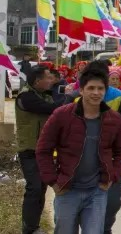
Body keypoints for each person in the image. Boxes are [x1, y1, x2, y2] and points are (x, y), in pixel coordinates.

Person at [35, 67, 121, 234]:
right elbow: (43, 149)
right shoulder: (62, 115)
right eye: (91, 88)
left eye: (100, 89)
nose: (96, 93)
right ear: (81, 90)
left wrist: (112, 175)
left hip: (97, 192)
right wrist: (53, 180)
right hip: (67, 190)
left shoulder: (113, 119)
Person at [15, 65, 65, 234]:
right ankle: (29, 228)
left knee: (41, 187)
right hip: (29, 150)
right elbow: (51, 109)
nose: (52, 81)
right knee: (34, 188)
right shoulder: (26, 97)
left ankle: (33, 226)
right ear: (37, 81)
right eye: (48, 78)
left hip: (44, 151)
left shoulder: (43, 95)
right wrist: (69, 95)